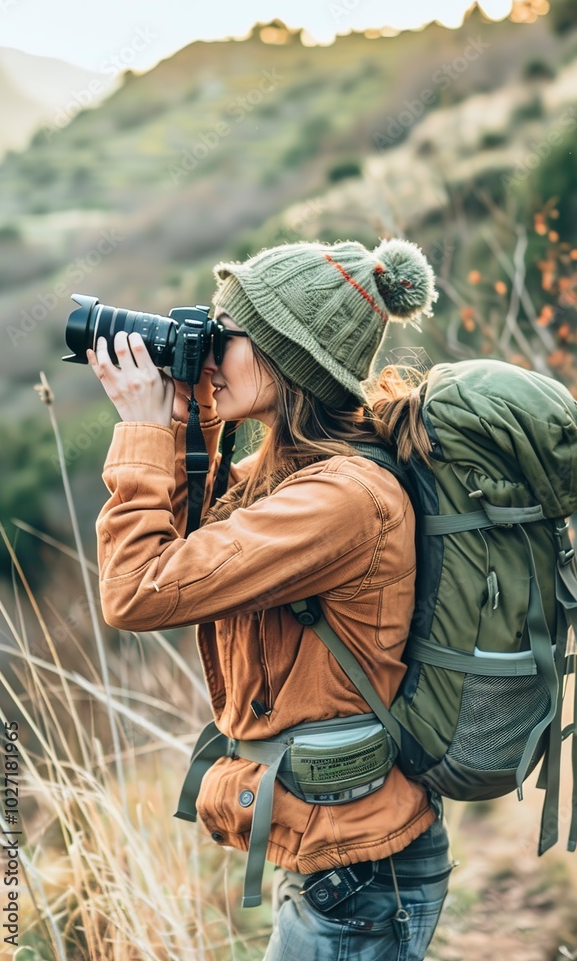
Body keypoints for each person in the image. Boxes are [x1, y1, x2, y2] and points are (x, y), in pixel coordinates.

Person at [87, 237, 454, 960]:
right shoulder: (287, 472)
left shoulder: (337, 499)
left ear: (290, 359)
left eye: (228, 337)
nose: (210, 351)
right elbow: (192, 548)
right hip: (333, 848)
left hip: (356, 871)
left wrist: (138, 429)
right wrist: (192, 419)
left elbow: (136, 590)